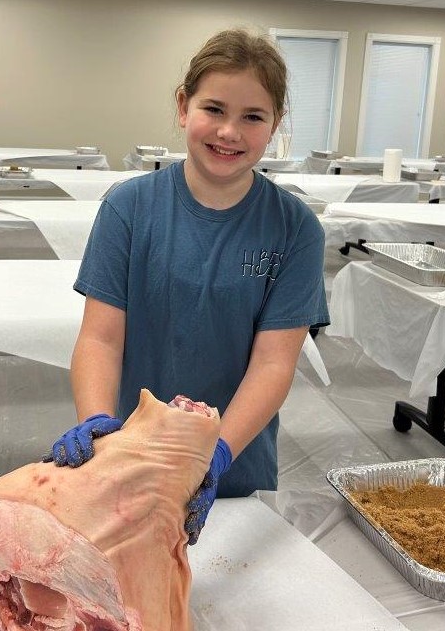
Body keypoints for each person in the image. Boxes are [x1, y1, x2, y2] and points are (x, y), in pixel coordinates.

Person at [43, 28, 330, 543]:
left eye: (253, 117)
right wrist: (98, 423)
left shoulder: (295, 230)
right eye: (214, 109)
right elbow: (100, 339)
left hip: (234, 468)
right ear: (183, 106)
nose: (229, 132)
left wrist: (215, 452)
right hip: (132, 456)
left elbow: (273, 363)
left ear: (275, 125)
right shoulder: (129, 209)